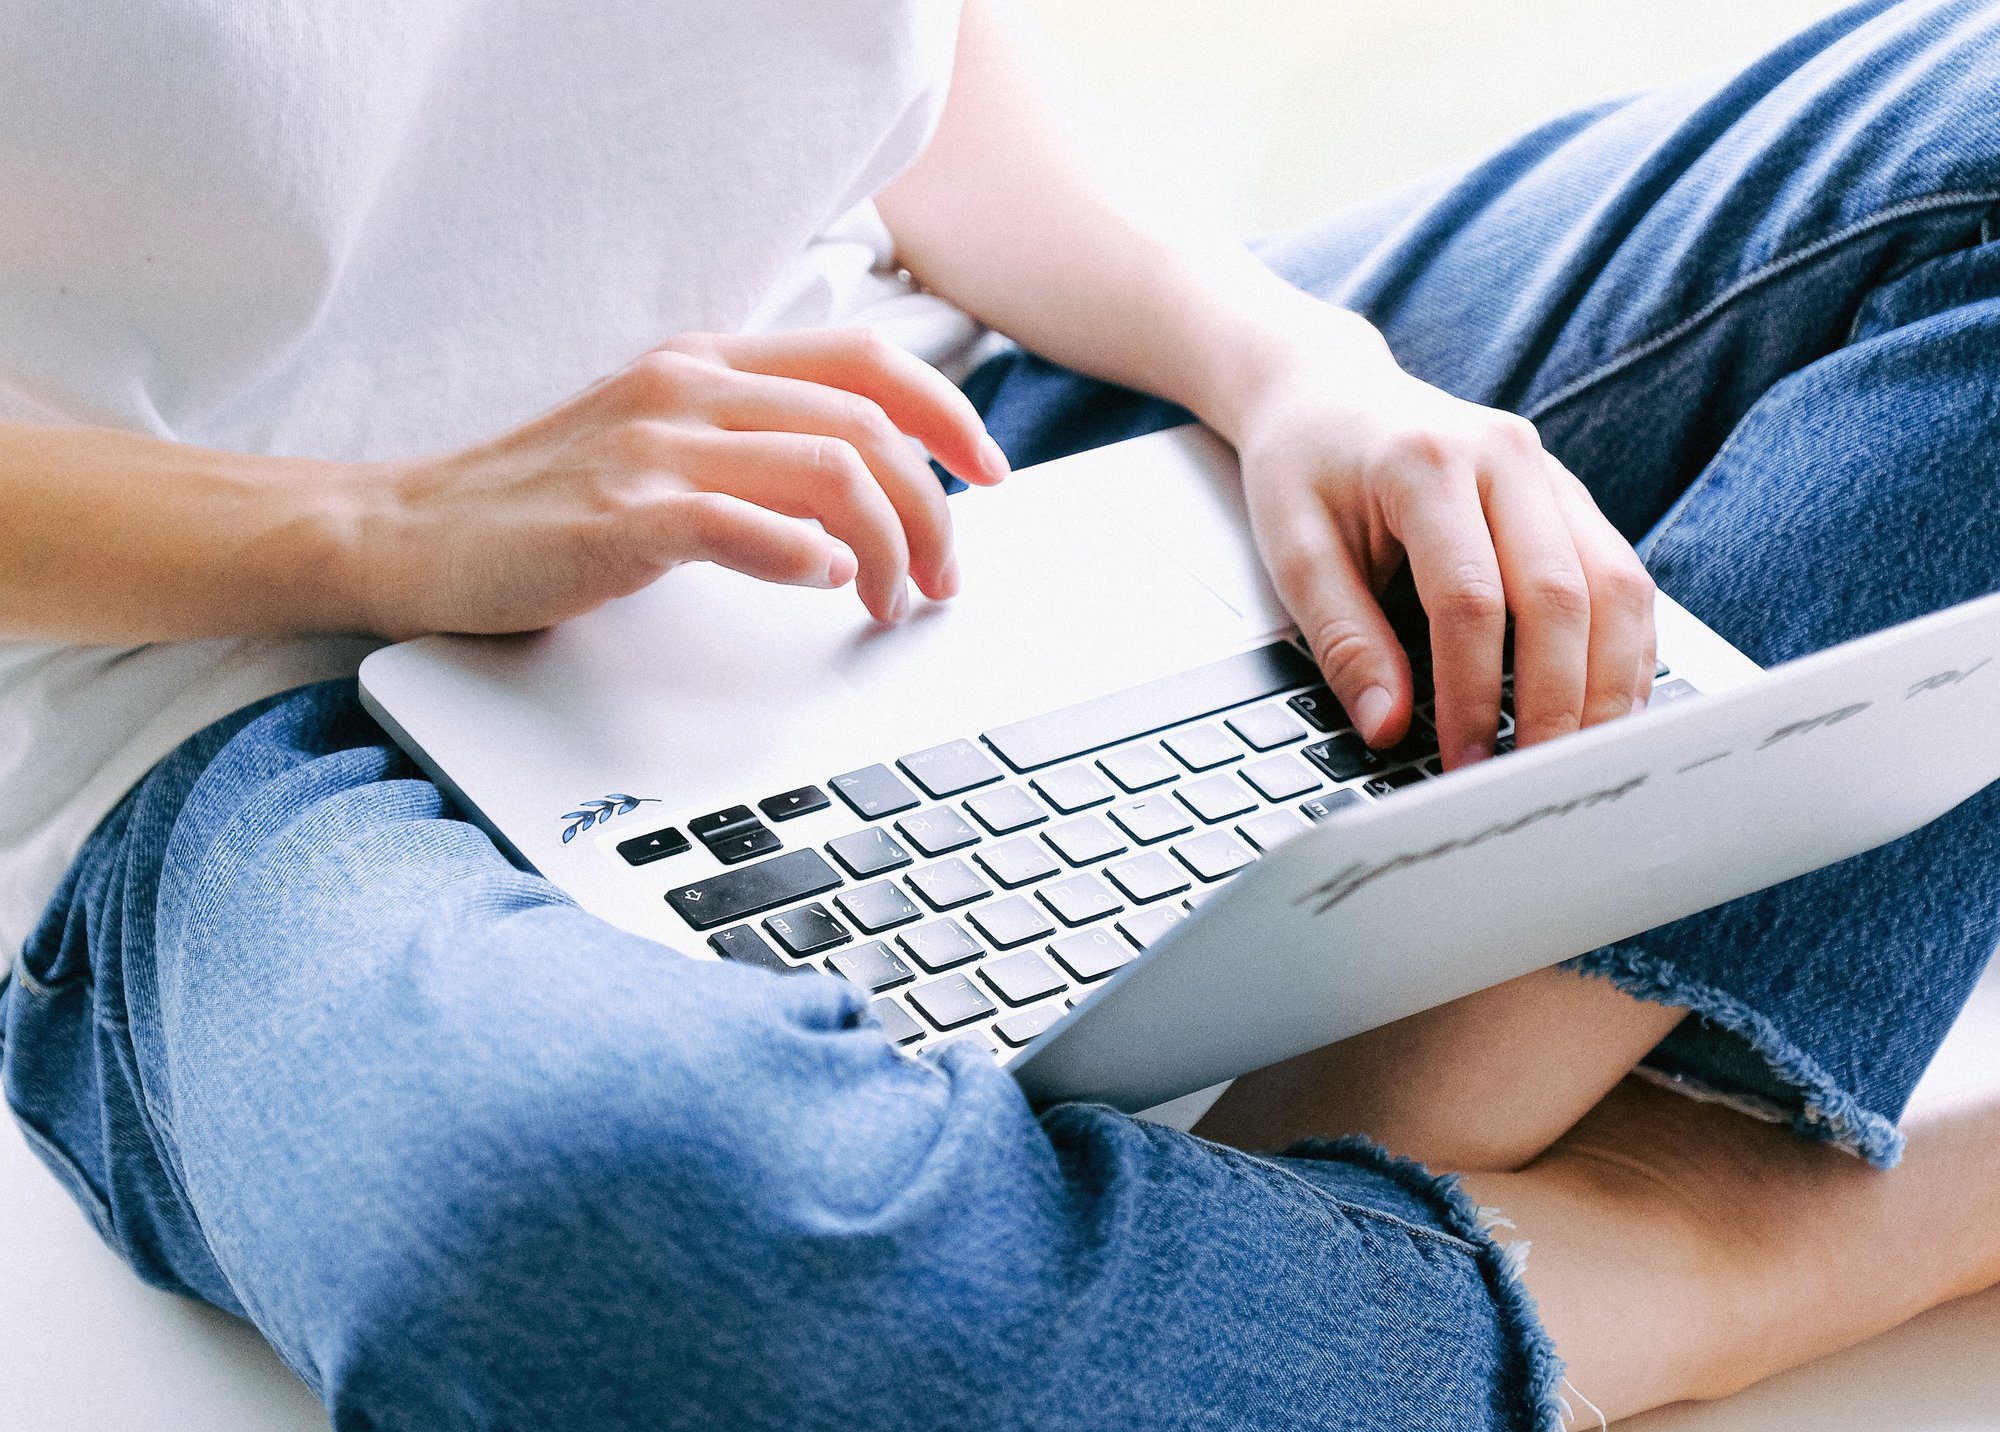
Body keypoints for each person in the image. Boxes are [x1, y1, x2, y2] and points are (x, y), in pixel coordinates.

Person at [2, 0, 1997, 1426]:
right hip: (235, 707)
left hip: (937, 431)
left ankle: (1340, 1207)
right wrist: (388, 519)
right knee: (608, 1244)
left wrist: (1284, 359)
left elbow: (882, 59)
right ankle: (1716, 1247)